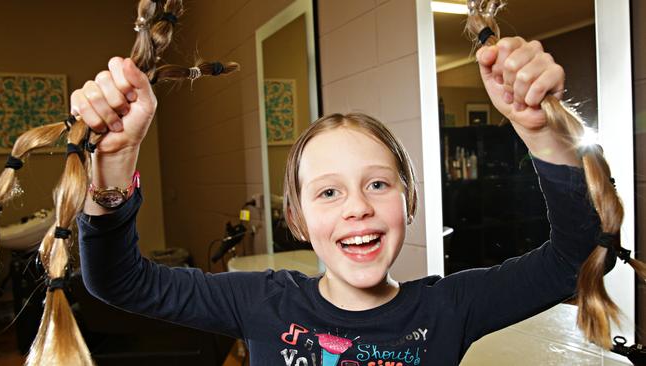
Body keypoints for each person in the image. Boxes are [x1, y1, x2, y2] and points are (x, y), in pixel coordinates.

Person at [76, 37, 598, 365]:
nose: (357, 208)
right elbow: (118, 281)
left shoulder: (449, 309)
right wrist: (116, 164)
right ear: (298, 218)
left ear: (408, 201)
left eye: (377, 184)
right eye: (328, 192)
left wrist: (542, 135)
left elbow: (571, 260)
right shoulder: (262, 304)